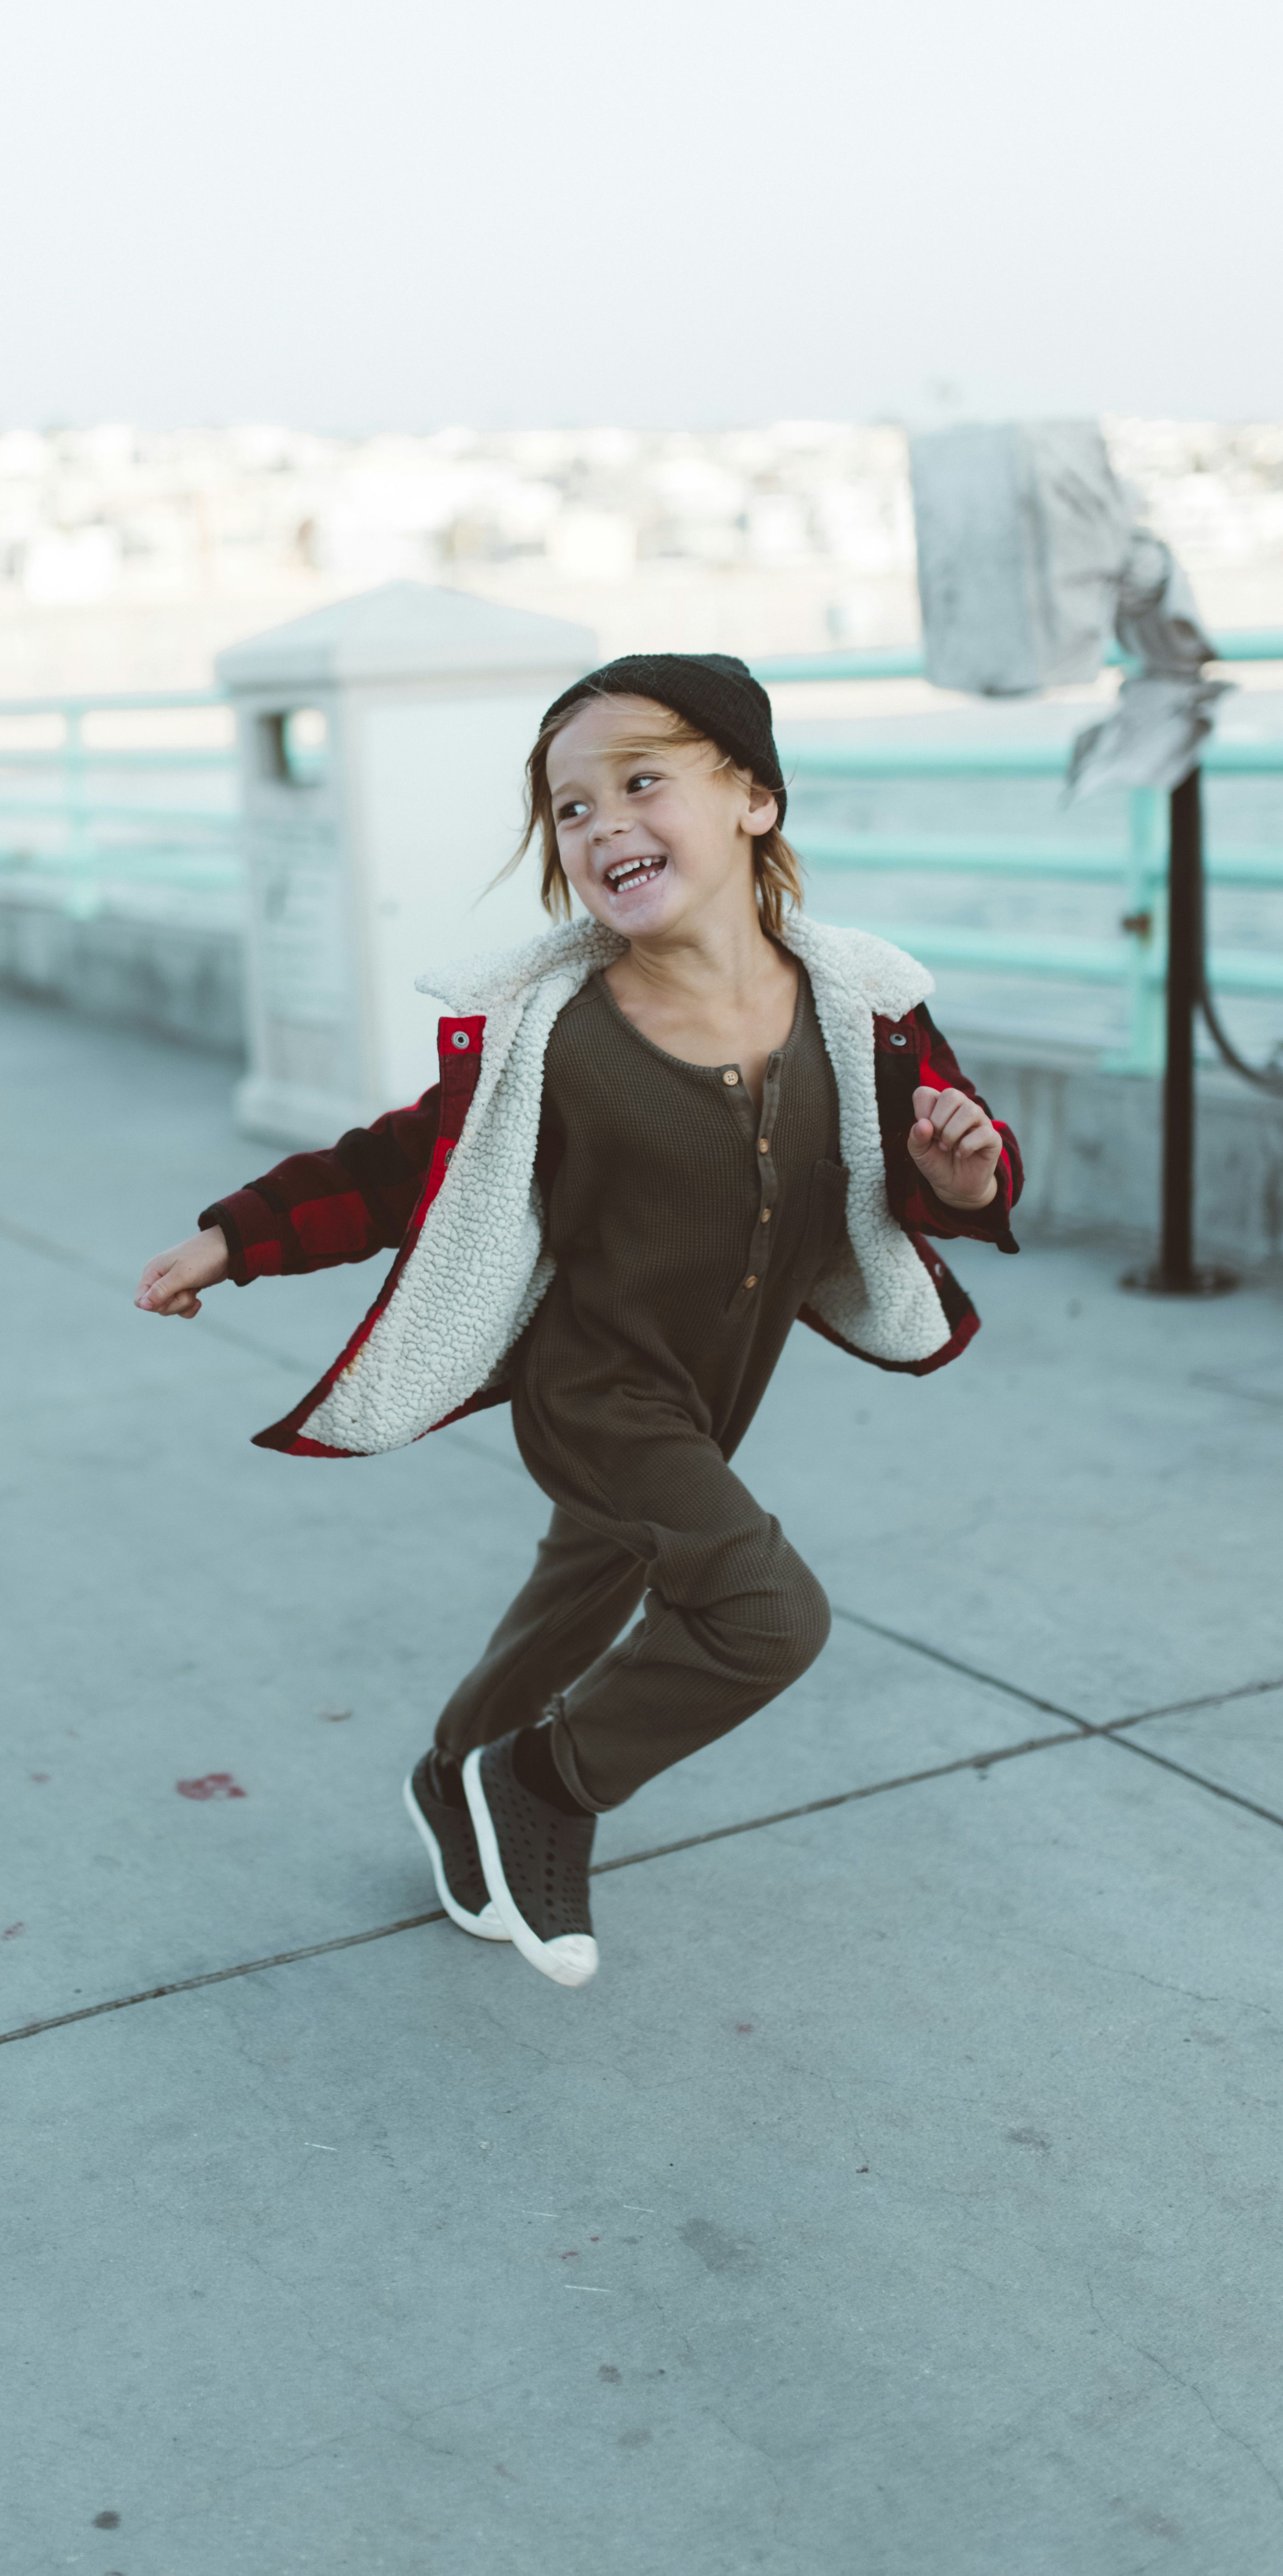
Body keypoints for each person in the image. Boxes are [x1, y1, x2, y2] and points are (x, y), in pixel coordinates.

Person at [134, 654, 1020, 1991]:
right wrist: (234, 1238)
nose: (603, 824)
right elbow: (397, 1168)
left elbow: (939, 1170)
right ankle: (547, 1780)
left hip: (721, 1383)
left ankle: (455, 1777)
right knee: (767, 1615)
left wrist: (968, 1172)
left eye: (641, 782)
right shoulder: (558, 1037)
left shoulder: (863, 1009)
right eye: (569, 808)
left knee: (584, 1586)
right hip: (595, 1392)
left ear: (755, 804)